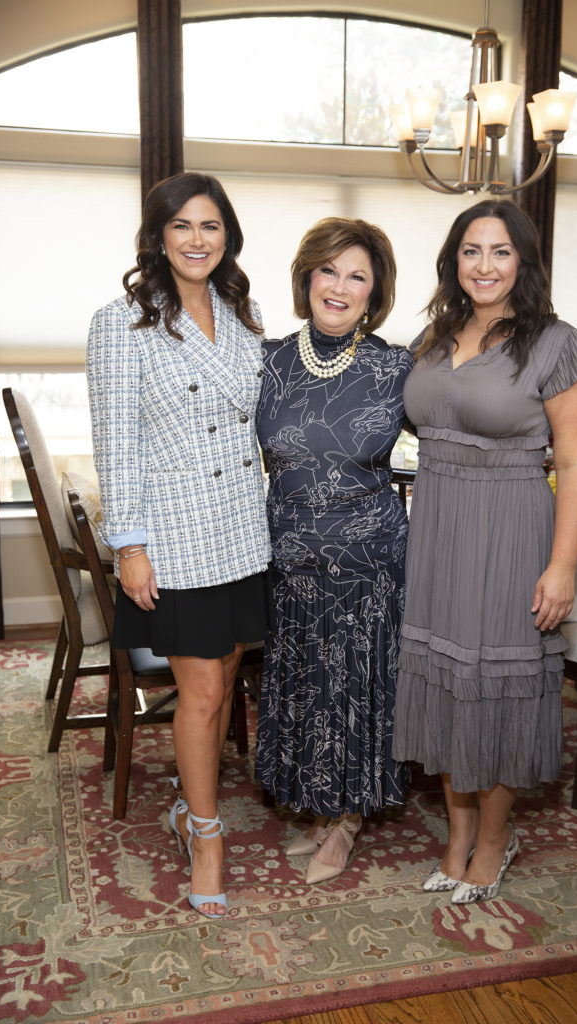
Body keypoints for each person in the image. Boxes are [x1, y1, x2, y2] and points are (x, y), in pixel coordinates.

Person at [392, 199, 577, 904]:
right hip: (439, 526)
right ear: (454, 261)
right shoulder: (437, 333)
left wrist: (562, 564)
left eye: (500, 252)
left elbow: (576, 465)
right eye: (471, 251)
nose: (484, 266)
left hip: (512, 528)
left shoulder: (558, 344)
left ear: (524, 261)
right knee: (448, 687)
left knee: (496, 690)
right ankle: (454, 839)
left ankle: (492, 840)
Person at [86, 171, 271, 919]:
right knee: (198, 692)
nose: (198, 240)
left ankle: (188, 810)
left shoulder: (244, 310)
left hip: (241, 526)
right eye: (183, 226)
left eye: (212, 226)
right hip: (174, 534)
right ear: (158, 237)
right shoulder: (120, 321)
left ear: (228, 236)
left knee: (225, 683)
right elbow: (116, 444)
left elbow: (260, 420)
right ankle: (205, 834)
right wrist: (129, 546)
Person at [255, 217, 412, 884]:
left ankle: (346, 819)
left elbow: (464, 429)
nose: (340, 286)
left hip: (368, 563)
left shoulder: (397, 367)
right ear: (306, 276)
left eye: (358, 276)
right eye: (329, 270)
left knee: (352, 688)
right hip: (289, 563)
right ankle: (319, 808)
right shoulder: (266, 359)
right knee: (306, 688)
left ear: (374, 293)